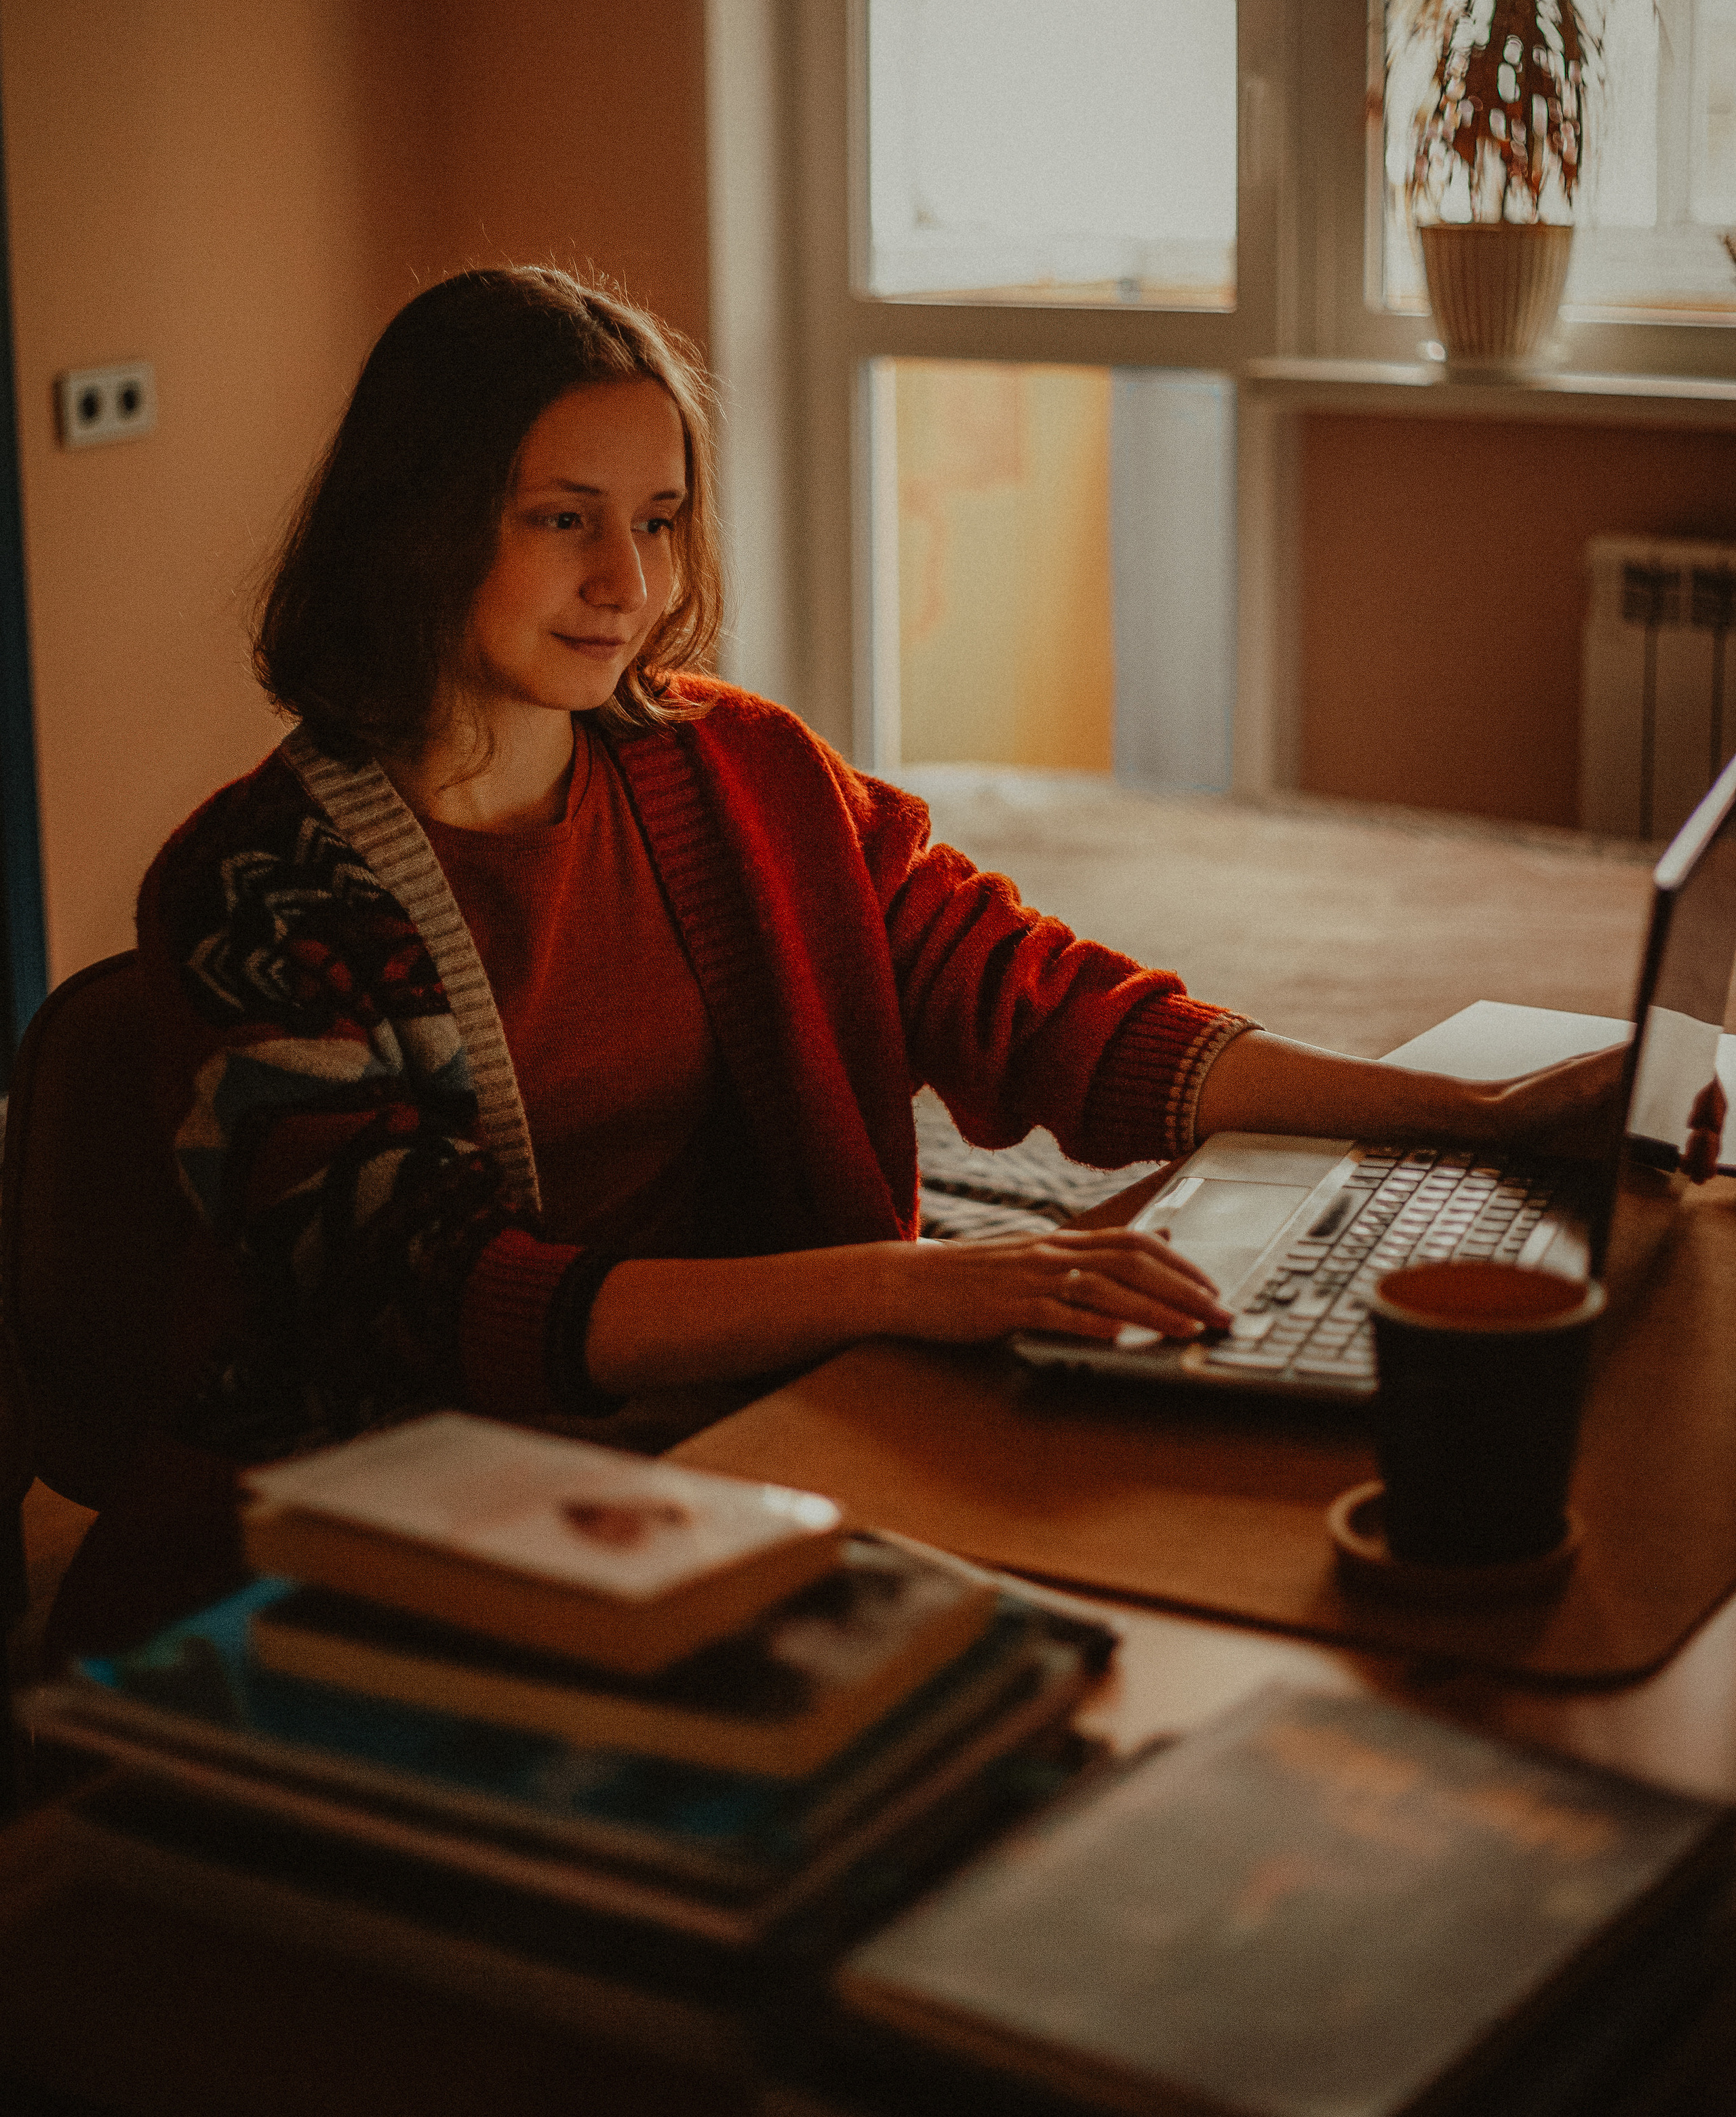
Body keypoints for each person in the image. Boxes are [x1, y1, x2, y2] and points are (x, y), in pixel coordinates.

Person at [135, 265, 1623, 1473]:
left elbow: (1038, 1004)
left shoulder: (740, 769)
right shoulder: (261, 888)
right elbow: (446, 1301)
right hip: (440, 1489)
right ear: (419, 526)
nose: (629, 584)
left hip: (773, 1414)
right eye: (562, 521)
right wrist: (913, 1286)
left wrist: (1466, 1113)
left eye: (658, 522)